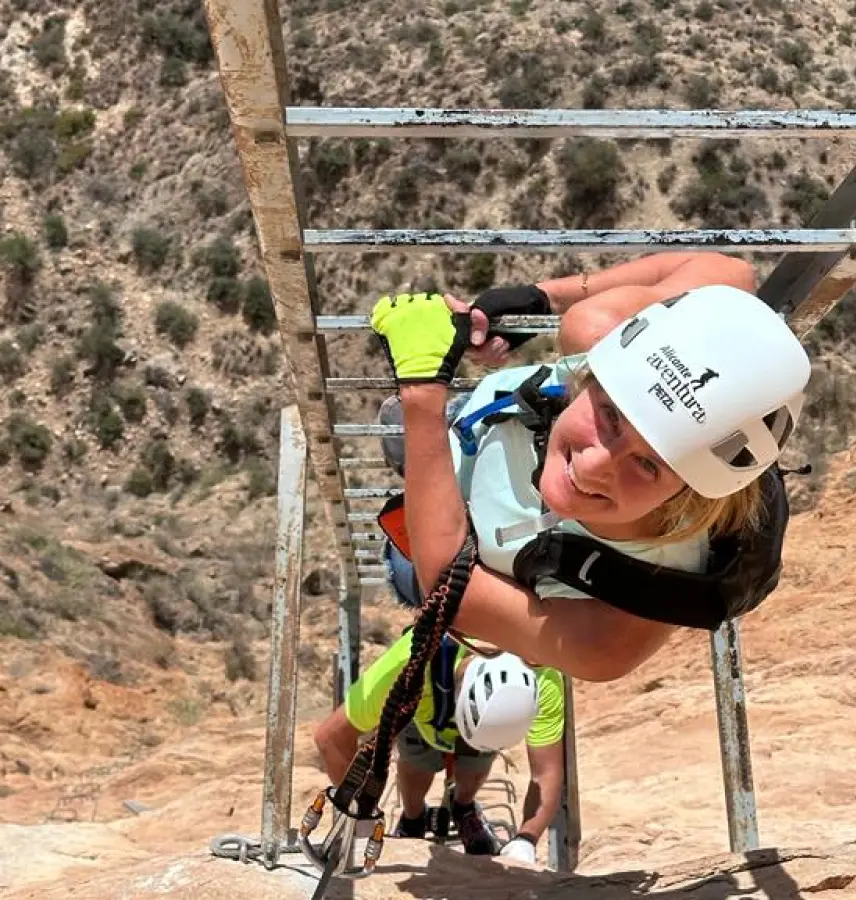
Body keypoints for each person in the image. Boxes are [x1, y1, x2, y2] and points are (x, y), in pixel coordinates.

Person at [368, 252, 811, 682]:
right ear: (589, 374)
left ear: (687, 492)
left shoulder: (609, 634)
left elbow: (446, 587)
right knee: (500, 405)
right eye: (610, 415)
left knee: (407, 564)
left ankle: (428, 451)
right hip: (494, 428)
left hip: (462, 551)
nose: (595, 464)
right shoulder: (596, 333)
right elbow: (732, 273)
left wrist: (423, 394)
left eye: (647, 464)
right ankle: (444, 438)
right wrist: (542, 298)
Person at [313, 630, 565, 863]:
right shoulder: (412, 661)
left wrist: (526, 839)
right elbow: (331, 738)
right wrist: (362, 816)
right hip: (421, 710)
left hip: (470, 721)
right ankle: (413, 816)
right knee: (416, 765)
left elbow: (546, 773)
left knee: (475, 764)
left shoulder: (543, 677)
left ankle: (463, 808)